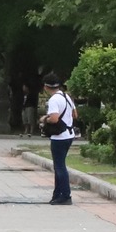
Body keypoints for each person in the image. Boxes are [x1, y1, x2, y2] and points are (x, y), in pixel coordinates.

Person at [43, 74, 76, 205]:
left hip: (59, 137)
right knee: (59, 165)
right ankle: (57, 194)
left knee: (60, 166)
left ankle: (65, 195)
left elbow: (54, 118)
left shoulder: (54, 100)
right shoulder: (66, 96)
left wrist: (45, 119)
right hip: (69, 134)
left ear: (45, 87)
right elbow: (75, 114)